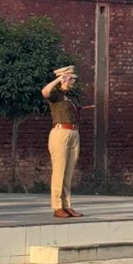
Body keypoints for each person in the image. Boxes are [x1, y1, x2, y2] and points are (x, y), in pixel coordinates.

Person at [42, 65, 85, 218]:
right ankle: (57, 206)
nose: (73, 81)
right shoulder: (56, 94)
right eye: (71, 78)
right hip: (60, 133)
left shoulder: (71, 96)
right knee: (59, 170)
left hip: (73, 132)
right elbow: (45, 92)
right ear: (64, 78)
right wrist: (58, 80)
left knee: (68, 171)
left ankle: (67, 205)